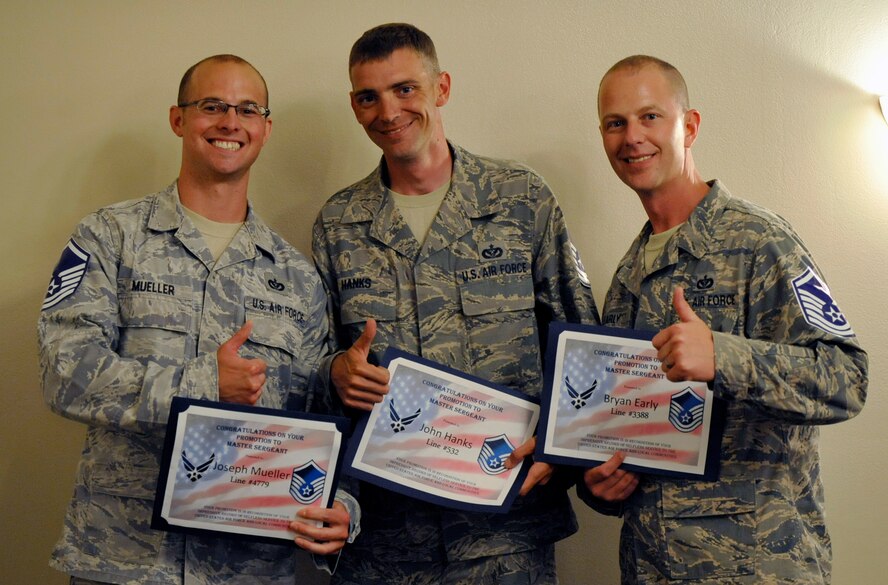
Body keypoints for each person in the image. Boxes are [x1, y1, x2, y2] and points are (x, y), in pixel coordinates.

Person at [38, 54, 357, 585]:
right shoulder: (110, 237)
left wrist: (342, 501)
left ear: (265, 128)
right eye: (212, 106)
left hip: (248, 566)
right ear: (178, 119)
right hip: (124, 559)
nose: (231, 122)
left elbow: (319, 419)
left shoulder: (298, 277)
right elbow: (63, 373)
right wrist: (203, 383)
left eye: (248, 110)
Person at [311, 22, 599, 585]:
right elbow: (315, 369)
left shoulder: (521, 199)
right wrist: (336, 372)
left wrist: (557, 452)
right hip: (384, 540)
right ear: (354, 106)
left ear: (441, 87)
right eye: (368, 97)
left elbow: (581, 346)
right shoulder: (338, 224)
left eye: (405, 89)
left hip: (506, 531)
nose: (388, 111)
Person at [579, 55, 869, 584]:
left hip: (757, 566)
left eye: (650, 117)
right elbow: (626, 426)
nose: (632, 137)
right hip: (652, 566)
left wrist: (723, 356)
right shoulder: (628, 275)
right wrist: (600, 486)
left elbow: (847, 378)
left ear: (689, 126)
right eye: (615, 123)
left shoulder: (759, 241)